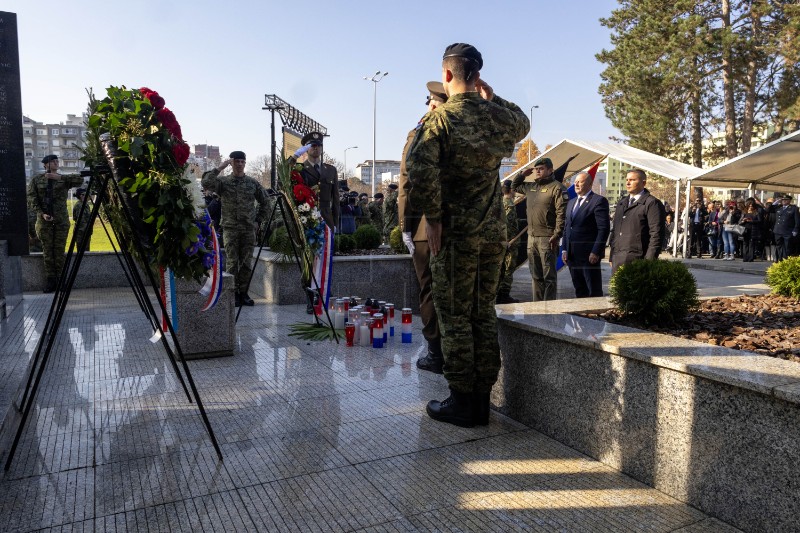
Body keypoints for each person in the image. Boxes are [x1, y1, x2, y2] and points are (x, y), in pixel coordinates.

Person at [406, 42, 529, 427]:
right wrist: (493, 98)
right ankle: (480, 399)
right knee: (481, 314)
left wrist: (436, 220)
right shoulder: (497, 117)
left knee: (456, 315)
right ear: (478, 77)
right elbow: (524, 123)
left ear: (446, 75)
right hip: (492, 234)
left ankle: (462, 401)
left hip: (455, 236)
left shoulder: (440, 122)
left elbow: (419, 172)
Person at [398, 80, 448, 374]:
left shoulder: (420, 133)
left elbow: (407, 181)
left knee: (429, 288)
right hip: (459, 225)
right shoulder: (460, 131)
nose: (430, 105)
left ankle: (435, 352)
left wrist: (406, 224)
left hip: (425, 227)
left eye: (433, 101)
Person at [201, 151, 270, 307]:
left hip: (248, 229)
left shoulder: (253, 183)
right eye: (236, 161)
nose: (239, 164)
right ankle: (233, 294)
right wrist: (219, 168)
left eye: (242, 161)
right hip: (230, 228)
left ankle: (243, 293)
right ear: (231, 163)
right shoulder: (223, 182)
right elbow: (206, 183)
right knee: (232, 262)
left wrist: (258, 220)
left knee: (246, 263)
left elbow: (266, 202)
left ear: (245, 163)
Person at [511, 156, 568, 301]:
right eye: (536, 169)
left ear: (550, 170)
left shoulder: (557, 187)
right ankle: (537, 306)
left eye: (541, 169)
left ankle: (548, 307)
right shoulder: (531, 187)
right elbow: (514, 186)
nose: (537, 171)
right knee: (535, 275)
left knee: (548, 276)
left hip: (547, 237)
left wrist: (557, 234)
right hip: (531, 238)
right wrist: (523, 174)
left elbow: (562, 213)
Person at [27, 154, 85, 293]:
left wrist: (60, 178)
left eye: (56, 161)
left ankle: (61, 281)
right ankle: (51, 281)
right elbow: (31, 198)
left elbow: (80, 180)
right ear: (45, 164)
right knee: (48, 252)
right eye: (53, 161)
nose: (56, 163)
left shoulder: (63, 179)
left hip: (61, 221)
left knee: (59, 251)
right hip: (44, 221)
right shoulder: (37, 180)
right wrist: (41, 213)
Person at [560, 172, 610, 298]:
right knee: (579, 288)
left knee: (593, 289)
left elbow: (603, 229)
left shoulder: (598, 201)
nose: (576, 184)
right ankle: (582, 315)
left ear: (589, 184)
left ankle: (595, 315)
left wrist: (596, 251)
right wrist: (564, 249)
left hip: (589, 255)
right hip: (572, 254)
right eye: (575, 181)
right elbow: (567, 227)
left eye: (580, 182)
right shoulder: (571, 202)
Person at [608, 169, 665, 274]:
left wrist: (649, 261)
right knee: (618, 290)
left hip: (638, 258)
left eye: (632, 180)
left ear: (643, 183)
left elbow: (656, 234)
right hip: (618, 257)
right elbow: (615, 231)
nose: (628, 183)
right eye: (627, 180)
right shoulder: (622, 203)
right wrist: (612, 255)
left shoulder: (651, 203)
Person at [290, 132, 340, 231]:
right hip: (307, 217)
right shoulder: (300, 169)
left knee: (328, 246)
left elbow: (335, 198)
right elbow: (283, 175)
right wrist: (295, 156)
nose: (316, 148)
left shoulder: (331, 169)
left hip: (327, 218)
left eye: (319, 145)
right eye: (312, 145)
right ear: (306, 149)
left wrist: (335, 222)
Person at [496, 179, 522, 304]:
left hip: (502, 243)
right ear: (512, 190)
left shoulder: (500, 203)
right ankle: (503, 295)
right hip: (509, 244)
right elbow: (508, 225)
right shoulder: (509, 204)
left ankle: (499, 295)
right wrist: (508, 241)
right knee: (508, 270)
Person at [773, 194, 799, 261]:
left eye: (786, 200)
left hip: (787, 231)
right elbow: (769, 209)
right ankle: (779, 259)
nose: (784, 201)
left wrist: (795, 229)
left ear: (789, 201)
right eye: (783, 200)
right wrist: (777, 201)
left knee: (787, 247)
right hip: (778, 230)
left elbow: (797, 220)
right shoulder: (779, 208)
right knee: (778, 246)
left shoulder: (794, 208)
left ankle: (785, 260)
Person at [72, 188, 94, 253]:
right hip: (81, 232)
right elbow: (81, 220)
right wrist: (86, 230)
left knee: (86, 250)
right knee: (82, 251)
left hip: (85, 231)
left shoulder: (85, 205)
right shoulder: (79, 205)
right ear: (81, 196)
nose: (89, 197)